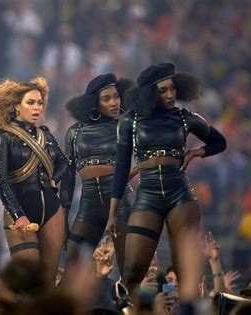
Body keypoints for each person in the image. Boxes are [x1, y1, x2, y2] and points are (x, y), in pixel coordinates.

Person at [107, 63, 227, 293]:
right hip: (147, 194)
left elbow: (219, 142)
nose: (171, 94)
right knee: (132, 272)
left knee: (186, 274)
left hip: (180, 193)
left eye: (173, 88)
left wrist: (194, 153)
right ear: (150, 92)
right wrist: (113, 212)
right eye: (163, 90)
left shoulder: (185, 118)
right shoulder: (129, 121)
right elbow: (122, 166)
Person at [0, 77, 69, 285]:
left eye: (40, 103)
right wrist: (18, 215)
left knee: (48, 281)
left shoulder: (46, 134)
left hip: (52, 209)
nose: (37, 108)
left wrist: (54, 179)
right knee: (30, 282)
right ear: (16, 106)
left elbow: (65, 163)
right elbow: (1, 181)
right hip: (19, 211)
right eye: (30, 103)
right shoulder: (1, 136)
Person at [60, 73, 135, 273]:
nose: (114, 102)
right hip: (89, 201)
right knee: (73, 261)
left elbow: (148, 156)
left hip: (120, 201)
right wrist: (63, 218)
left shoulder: (125, 125)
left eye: (117, 97)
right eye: (107, 98)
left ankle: (131, 304)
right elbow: (68, 177)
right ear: (94, 102)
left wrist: (131, 172)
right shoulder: (75, 132)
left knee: (127, 267)